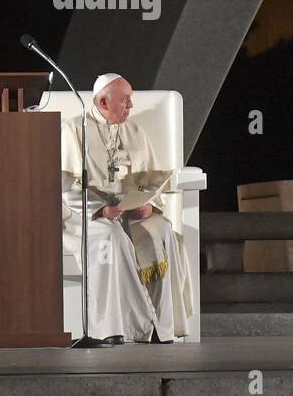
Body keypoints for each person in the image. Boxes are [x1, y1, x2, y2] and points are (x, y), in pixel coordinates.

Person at [60, 73, 194, 342]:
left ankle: (163, 327)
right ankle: (114, 328)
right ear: (103, 102)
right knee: (112, 238)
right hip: (85, 215)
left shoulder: (135, 131)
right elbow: (63, 185)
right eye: (125, 101)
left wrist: (149, 205)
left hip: (130, 212)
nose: (131, 106)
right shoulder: (74, 130)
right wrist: (99, 210)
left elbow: (153, 178)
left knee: (162, 230)